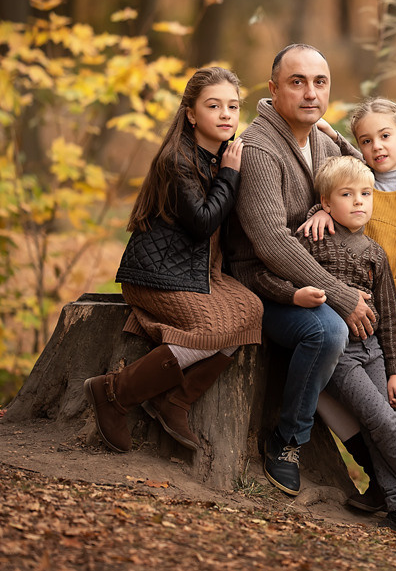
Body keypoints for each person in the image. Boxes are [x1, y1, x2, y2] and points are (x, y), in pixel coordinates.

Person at [253, 156, 396, 539]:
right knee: (381, 422)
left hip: (373, 351)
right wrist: (297, 294)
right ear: (327, 204)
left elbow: (390, 321)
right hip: (340, 355)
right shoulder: (311, 238)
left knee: (386, 423)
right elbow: (264, 275)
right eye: (347, 195)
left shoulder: (375, 253)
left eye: (366, 193)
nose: (359, 202)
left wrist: (395, 370)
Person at [86, 67, 263, 454]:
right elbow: (202, 223)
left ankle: (175, 400)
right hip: (157, 275)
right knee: (214, 327)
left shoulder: (222, 156)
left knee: (250, 309)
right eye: (213, 105)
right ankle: (114, 392)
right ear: (191, 114)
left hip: (198, 273)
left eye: (232, 106)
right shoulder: (177, 160)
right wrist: (230, 176)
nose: (225, 114)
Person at [224, 44, 374, 496]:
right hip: (261, 286)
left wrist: (339, 145)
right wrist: (342, 294)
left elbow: (359, 182)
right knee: (327, 333)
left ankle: (384, 468)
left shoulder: (323, 141)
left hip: (314, 281)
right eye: (297, 82)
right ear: (273, 89)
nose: (311, 93)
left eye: (320, 82)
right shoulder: (259, 149)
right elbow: (270, 241)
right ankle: (287, 441)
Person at [305, 98, 396, 513]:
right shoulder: (357, 188)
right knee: (362, 411)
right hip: (356, 327)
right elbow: (337, 197)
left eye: (386, 136)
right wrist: (320, 211)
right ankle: (384, 482)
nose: (377, 147)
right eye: (366, 141)